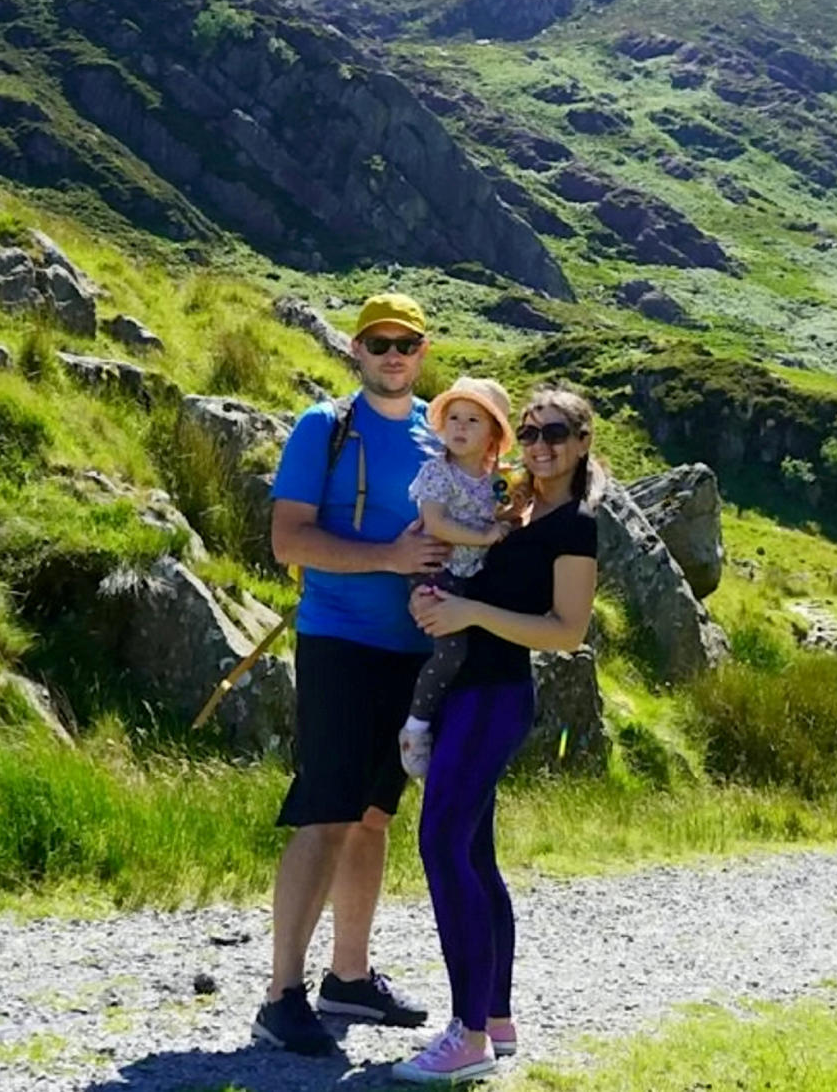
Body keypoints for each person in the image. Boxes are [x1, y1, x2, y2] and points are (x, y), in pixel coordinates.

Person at [252, 293, 451, 1058]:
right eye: (379, 342)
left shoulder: (441, 431)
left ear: (422, 352)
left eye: (406, 343)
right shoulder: (322, 428)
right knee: (326, 813)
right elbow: (287, 540)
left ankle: (348, 979)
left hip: (414, 654)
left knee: (373, 816)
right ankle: (279, 996)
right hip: (338, 643)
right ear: (357, 352)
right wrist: (390, 559)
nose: (393, 354)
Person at [392, 385, 603, 1085]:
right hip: (464, 692)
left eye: (556, 435)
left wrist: (466, 613)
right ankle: (497, 1019)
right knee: (475, 857)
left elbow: (566, 631)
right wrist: (438, 600)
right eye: (533, 432)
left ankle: (467, 1035)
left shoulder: (573, 524)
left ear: (580, 445)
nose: (541, 446)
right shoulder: (516, 501)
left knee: (441, 844)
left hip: (495, 695)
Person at [399, 377, 516, 779]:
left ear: (493, 436)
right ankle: (416, 727)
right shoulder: (437, 472)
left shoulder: (496, 480)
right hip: (436, 569)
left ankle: (455, 729)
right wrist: (484, 536)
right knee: (451, 650)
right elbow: (436, 523)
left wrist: (510, 516)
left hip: (470, 574)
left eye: (472, 420)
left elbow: (508, 515)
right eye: (453, 418)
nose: (460, 428)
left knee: (473, 653)